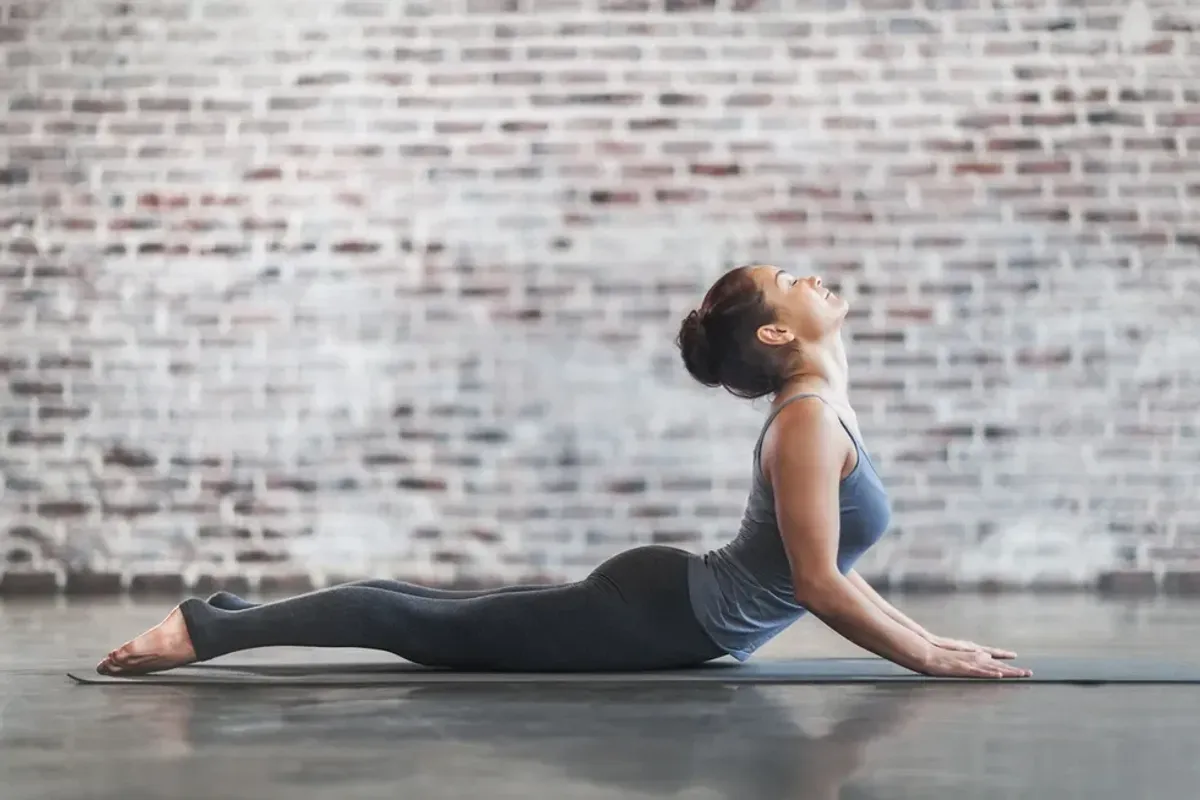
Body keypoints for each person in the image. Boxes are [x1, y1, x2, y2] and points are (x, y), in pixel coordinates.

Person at [97, 265, 1031, 680]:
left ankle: (219, 618)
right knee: (421, 626)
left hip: (668, 606)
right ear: (779, 333)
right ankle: (203, 632)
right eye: (792, 278)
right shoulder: (806, 427)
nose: (814, 277)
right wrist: (925, 657)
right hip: (658, 612)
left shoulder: (820, 417)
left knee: (433, 616)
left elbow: (824, 570)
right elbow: (819, 586)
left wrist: (936, 641)